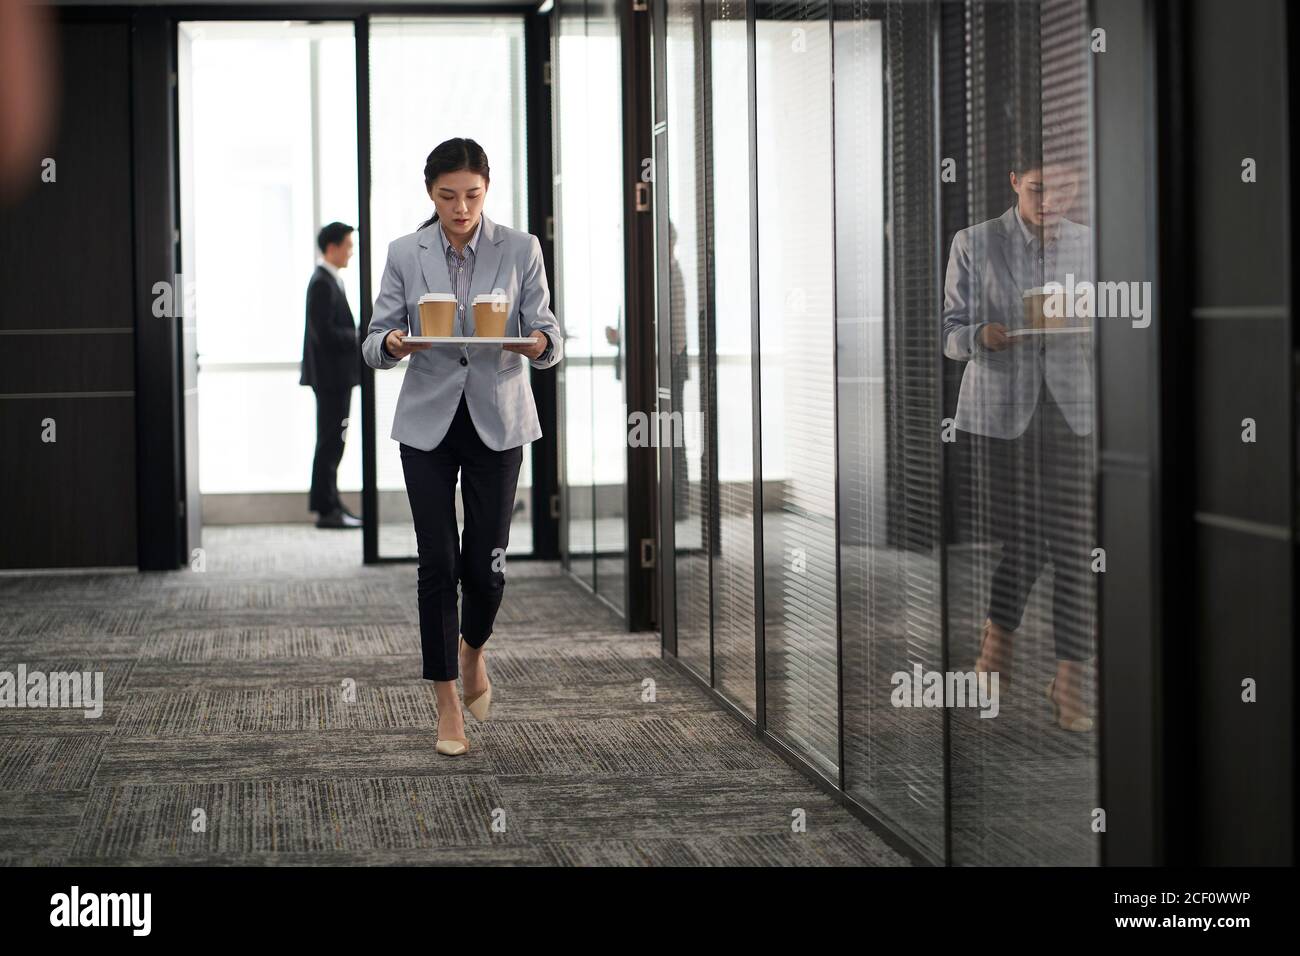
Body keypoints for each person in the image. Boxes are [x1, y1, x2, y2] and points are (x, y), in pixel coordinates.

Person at [363, 137, 563, 757]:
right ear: (430, 193)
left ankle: (472, 653)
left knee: (486, 565)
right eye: (448, 195)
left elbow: (551, 333)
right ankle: (446, 700)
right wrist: (396, 343)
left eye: (472, 194)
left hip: (497, 419)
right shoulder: (404, 252)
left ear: (487, 190)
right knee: (438, 563)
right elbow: (372, 341)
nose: (461, 207)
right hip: (426, 422)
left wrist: (536, 345)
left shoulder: (521, 248)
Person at [941, 137, 1096, 732]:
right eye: (1038, 189)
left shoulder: (1088, 243)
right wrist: (984, 334)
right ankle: (997, 644)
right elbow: (950, 332)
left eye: (1064, 188)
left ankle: (1070, 685)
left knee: (1077, 551)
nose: (1052, 200)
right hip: (1001, 420)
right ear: (1013, 181)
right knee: (1028, 542)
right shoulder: (976, 243)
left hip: (1069, 414)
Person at [300, 221, 362, 528]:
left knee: (333, 441)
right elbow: (323, 333)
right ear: (333, 247)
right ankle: (327, 510)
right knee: (329, 442)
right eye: (348, 246)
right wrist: (357, 335)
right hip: (331, 378)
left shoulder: (331, 279)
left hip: (335, 377)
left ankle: (332, 504)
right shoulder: (322, 282)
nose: (351, 252)